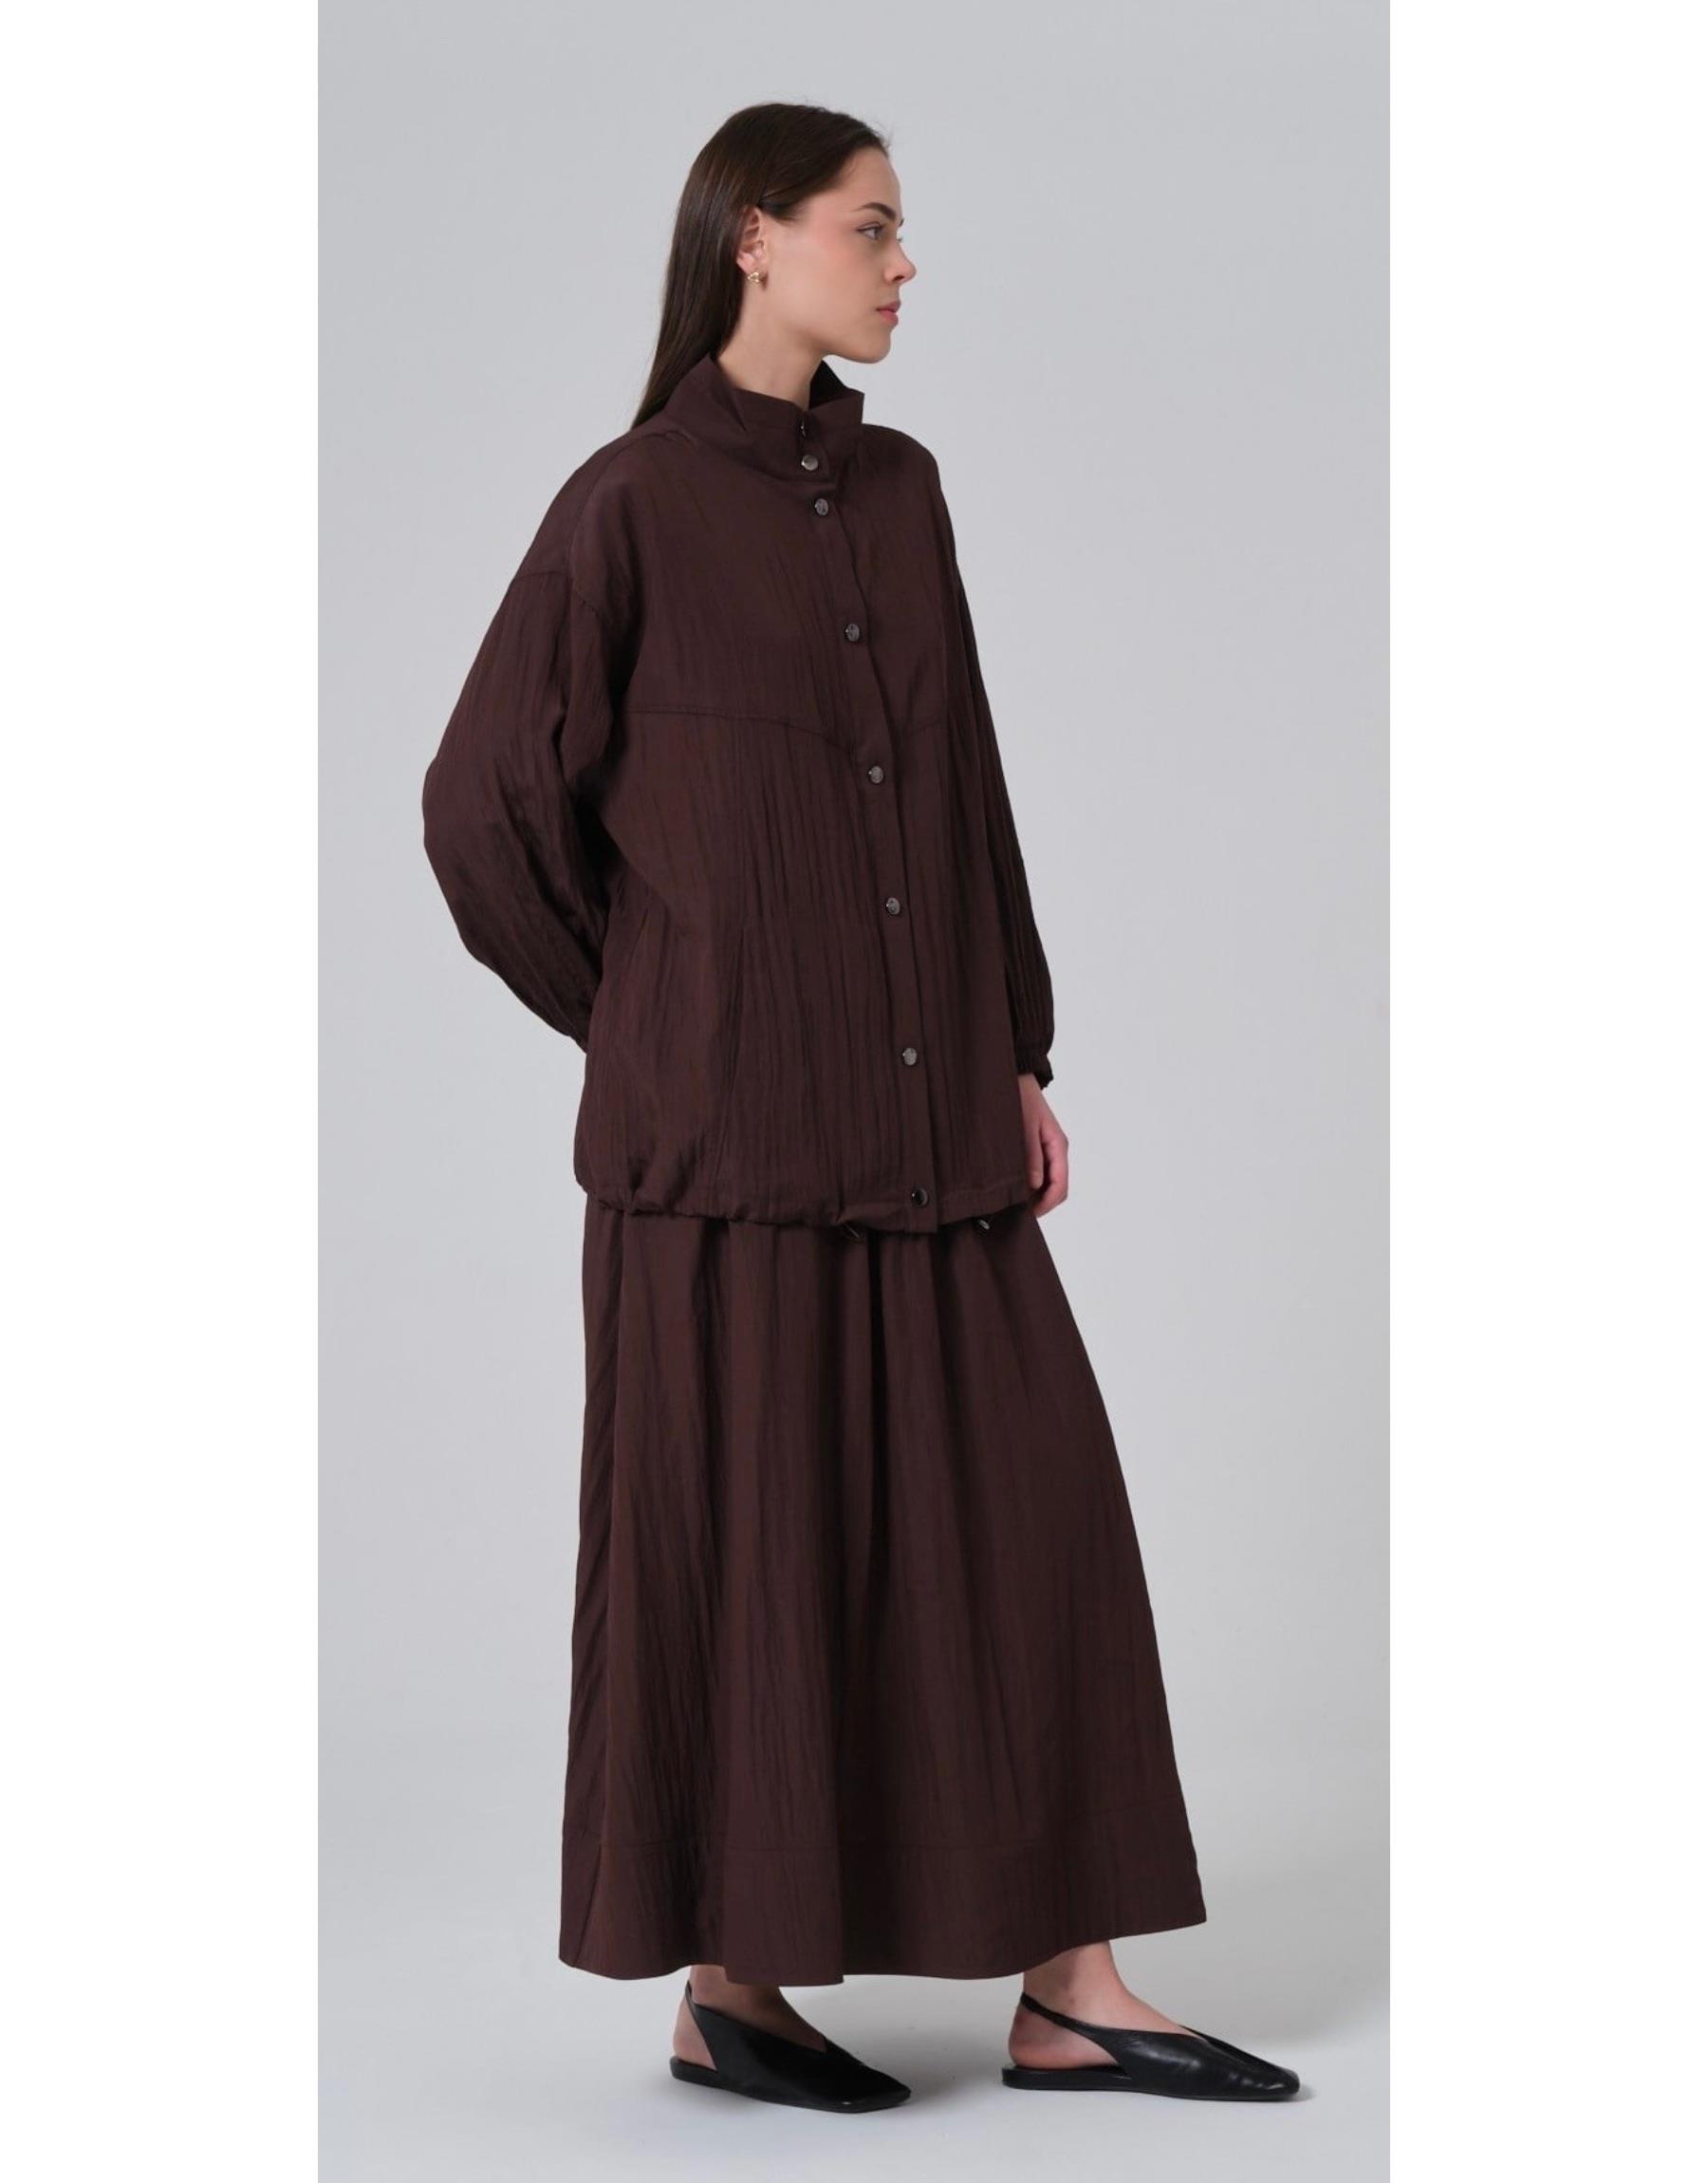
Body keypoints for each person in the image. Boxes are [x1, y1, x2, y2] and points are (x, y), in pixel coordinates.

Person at [420, 101, 1300, 2113]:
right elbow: (480, 806)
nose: (905, 267)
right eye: (871, 227)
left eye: (901, 233)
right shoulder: (628, 504)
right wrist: (657, 1017)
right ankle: (731, 1990)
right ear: (754, 236)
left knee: (1031, 1526)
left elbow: (961, 779)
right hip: (716, 1165)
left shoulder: (902, 493)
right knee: (749, 1557)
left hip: (924, 1127)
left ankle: (1074, 1986)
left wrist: (1015, 1050)